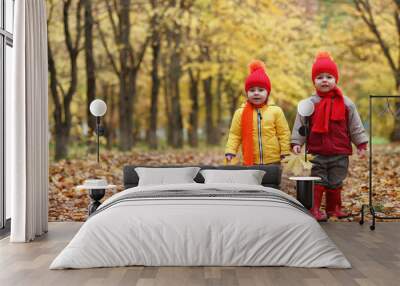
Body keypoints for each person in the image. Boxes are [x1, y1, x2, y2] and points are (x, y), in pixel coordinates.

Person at [291, 52, 368, 221]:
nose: (324, 80)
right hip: (317, 151)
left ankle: (334, 209)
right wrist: (297, 142)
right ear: (314, 81)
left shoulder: (346, 103)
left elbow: (355, 125)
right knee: (318, 180)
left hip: (340, 151)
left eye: (329, 77)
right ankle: (316, 209)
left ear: (336, 80)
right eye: (319, 77)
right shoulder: (309, 104)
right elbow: (301, 126)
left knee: (336, 180)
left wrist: (361, 144)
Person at [225, 59, 291, 166]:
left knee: (271, 181)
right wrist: (230, 151)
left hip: (273, 160)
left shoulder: (275, 111)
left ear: (267, 92)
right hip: (251, 161)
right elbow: (235, 134)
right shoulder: (240, 113)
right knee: (253, 182)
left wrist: (285, 151)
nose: (256, 93)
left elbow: (283, 133)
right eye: (252, 90)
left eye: (260, 90)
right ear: (247, 93)